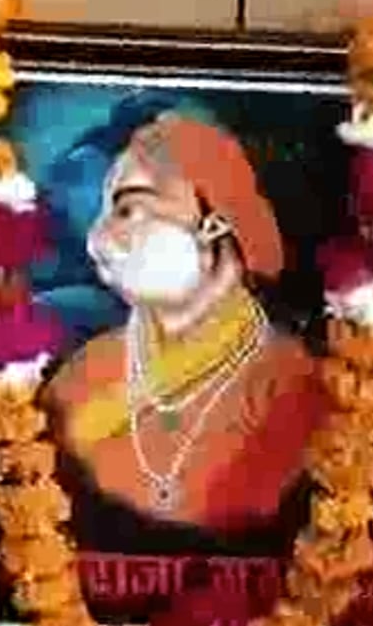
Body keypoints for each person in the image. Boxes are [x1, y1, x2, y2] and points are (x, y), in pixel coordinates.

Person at [44, 114, 325, 541]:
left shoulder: (293, 385)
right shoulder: (80, 379)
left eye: (128, 209)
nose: (96, 240)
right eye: (104, 212)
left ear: (214, 224)